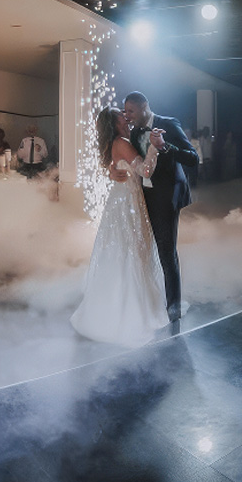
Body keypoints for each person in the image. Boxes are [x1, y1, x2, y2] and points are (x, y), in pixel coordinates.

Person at [70, 107, 167, 345]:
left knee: (124, 249)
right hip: (128, 202)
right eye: (121, 116)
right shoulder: (121, 142)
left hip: (123, 199)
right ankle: (129, 311)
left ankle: (113, 304)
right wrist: (154, 147)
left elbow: (117, 166)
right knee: (132, 250)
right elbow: (146, 171)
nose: (126, 117)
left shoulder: (117, 142)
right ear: (115, 124)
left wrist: (113, 171)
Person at [117, 91, 198, 322]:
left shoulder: (168, 124)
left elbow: (193, 158)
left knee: (166, 252)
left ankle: (173, 309)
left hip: (166, 197)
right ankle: (148, 303)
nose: (127, 116)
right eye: (125, 111)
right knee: (143, 252)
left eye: (131, 111)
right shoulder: (132, 132)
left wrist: (165, 146)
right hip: (141, 198)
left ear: (144, 107)